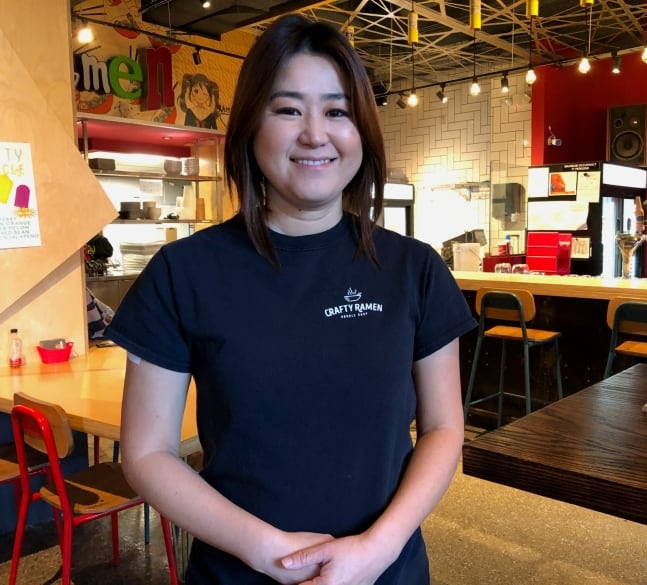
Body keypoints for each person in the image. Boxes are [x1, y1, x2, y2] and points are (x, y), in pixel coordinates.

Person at [105, 13, 476, 585]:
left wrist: (377, 550)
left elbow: (444, 429)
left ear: (362, 131)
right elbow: (147, 454)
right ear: (252, 124)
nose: (314, 134)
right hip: (238, 573)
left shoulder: (413, 268)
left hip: (387, 572)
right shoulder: (184, 273)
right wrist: (272, 552)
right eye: (287, 109)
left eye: (336, 111)